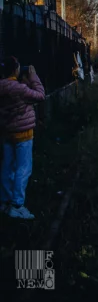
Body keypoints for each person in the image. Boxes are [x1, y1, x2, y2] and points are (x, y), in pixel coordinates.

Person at [0, 57, 46, 220]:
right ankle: (17, 205)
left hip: (6, 132)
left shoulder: (3, 86)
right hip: (23, 134)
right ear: (15, 70)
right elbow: (40, 95)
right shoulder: (18, 88)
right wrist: (33, 76)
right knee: (23, 168)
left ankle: (4, 201)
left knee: (7, 167)